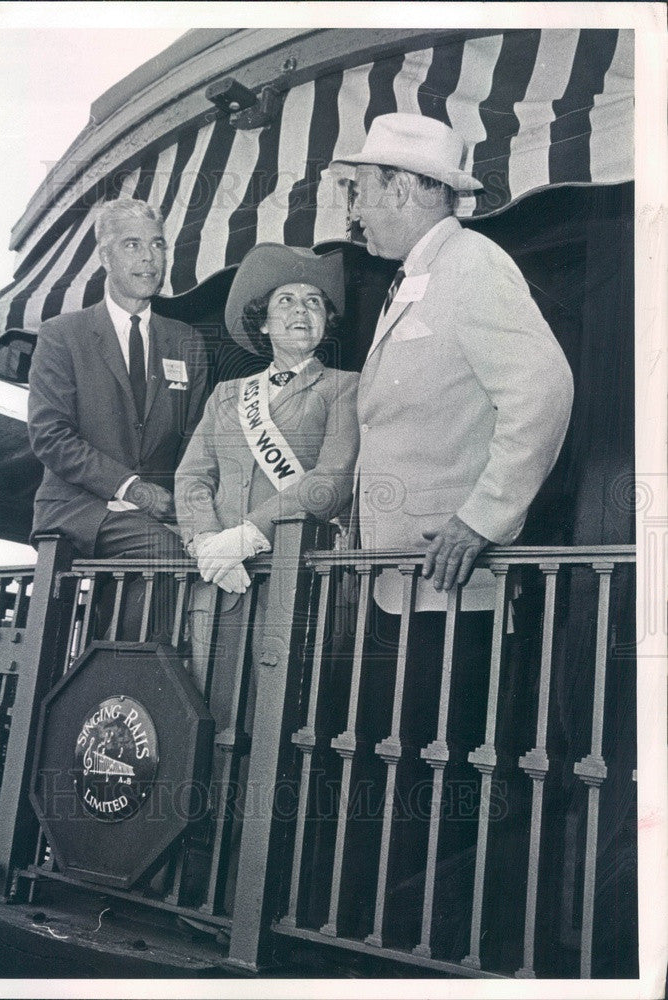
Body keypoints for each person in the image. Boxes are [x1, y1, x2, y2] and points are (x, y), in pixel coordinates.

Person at [325, 112, 575, 956]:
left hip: (451, 585)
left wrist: (483, 517)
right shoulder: (418, 276)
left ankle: (430, 950)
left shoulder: (472, 265)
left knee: (438, 773)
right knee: (404, 768)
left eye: (361, 191)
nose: (355, 211)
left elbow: (542, 390)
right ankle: (388, 939)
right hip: (402, 584)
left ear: (404, 187)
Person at [175, 243, 359, 720]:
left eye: (314, 301)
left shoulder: (345, 386)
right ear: (262, 321)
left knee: (280, 717)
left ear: (326, 321)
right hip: (220, 575)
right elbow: (193, 474)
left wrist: (248, 534)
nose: (301, 310)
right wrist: (206, 544)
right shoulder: (227, 394)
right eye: (287, 301)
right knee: (209, 708)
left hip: (295, 573)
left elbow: (331, 481)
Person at [27, 198, 208, 635]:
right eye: (132, 245)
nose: (149, 258)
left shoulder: (188, 341)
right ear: (105, 257)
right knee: (165, 556)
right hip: (79, 506)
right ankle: (124, 686)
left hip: (158, 515)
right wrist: (133, 489)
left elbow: (194, 443)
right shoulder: (61, 334)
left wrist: (190, 507)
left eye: (158, 245)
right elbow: (50, 436)